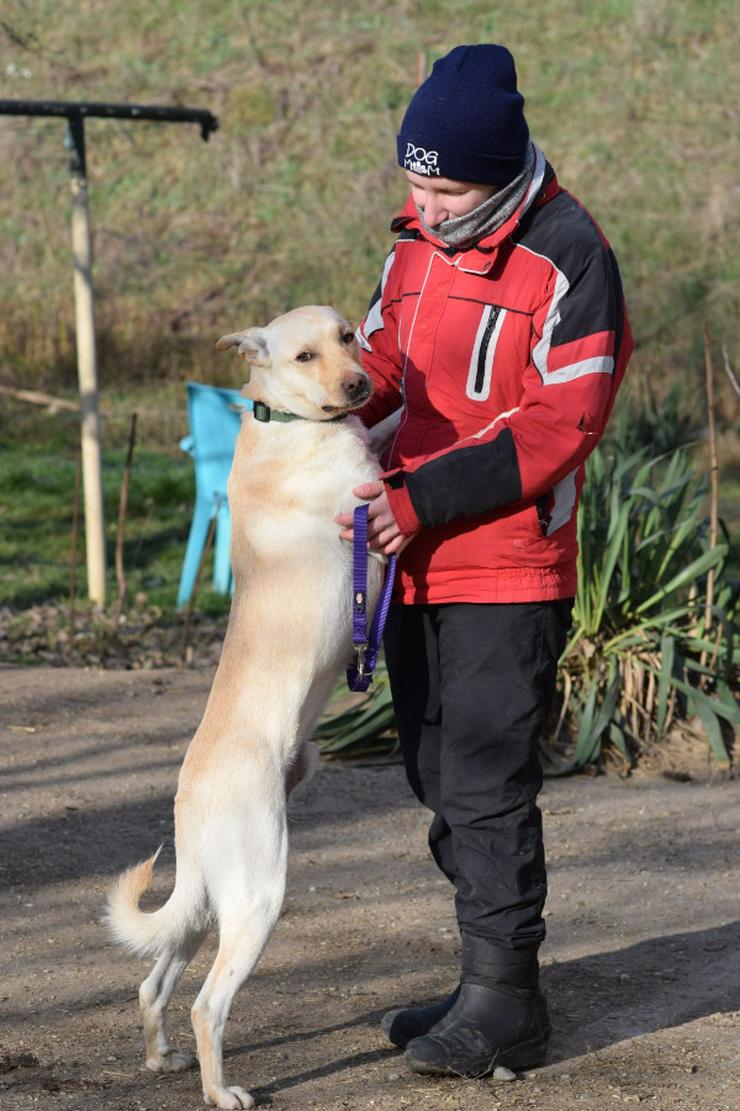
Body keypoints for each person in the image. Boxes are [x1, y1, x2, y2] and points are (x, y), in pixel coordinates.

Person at [336, 43, 633, 1077]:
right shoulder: (414, 243)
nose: (423, 203)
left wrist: (422, 496)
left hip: (506, 564)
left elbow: (562, 422)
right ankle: (479, 977)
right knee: (431, 767)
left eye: (444, 185)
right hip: (412, 552)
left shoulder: (567, 255)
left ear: (499, 170)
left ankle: (508, 1001)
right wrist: (332, 400)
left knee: (481, 779)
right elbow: (383, 363)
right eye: (411, 180)